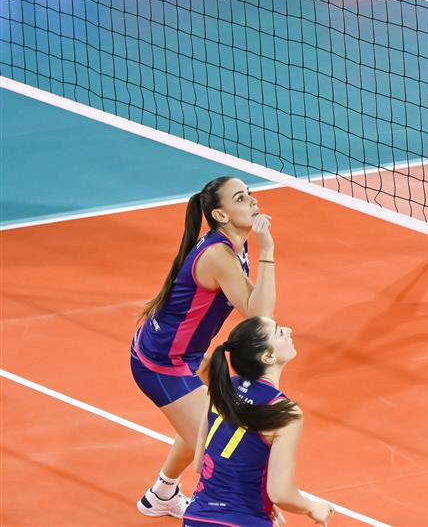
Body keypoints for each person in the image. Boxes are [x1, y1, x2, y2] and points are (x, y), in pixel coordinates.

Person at [131, 177, 278, 518]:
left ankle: (162, 494)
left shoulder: (232, 245)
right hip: (162, 364)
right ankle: (213, 516)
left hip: (183, 355)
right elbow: (261, 314)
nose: (252, 201)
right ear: (220, 215)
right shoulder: (218, 256)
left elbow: (257, 304)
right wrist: (268, 250)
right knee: (222, 446)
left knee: (202, 423)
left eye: (249, 194)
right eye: (240, 198)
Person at [184, 316, 333, 526]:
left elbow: (200, 463)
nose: (289, 330)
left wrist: (259, 501)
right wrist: (312, 507)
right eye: (279, 332)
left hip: (196, 517)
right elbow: (280, 493)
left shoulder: (223, 388)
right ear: (268, 357)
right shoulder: (284, 411)